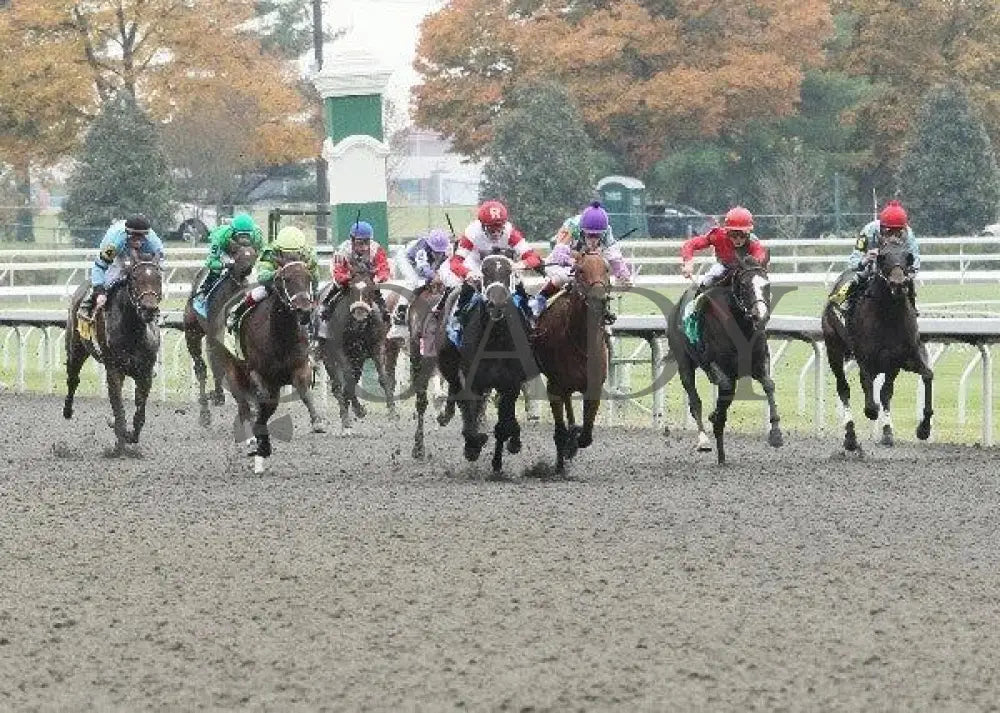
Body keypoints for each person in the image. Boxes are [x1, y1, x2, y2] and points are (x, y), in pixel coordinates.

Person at [437, 200, 541, 328]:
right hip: (477, 267)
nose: (497, 234)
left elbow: (533, 257)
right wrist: (467, 273)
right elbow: (455, 262)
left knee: (519, 286)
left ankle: (529, 318)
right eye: (492, 230)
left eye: (500, 229)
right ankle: (458, 320)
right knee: (466, 288)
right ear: (482, 226)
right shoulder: (472, 233)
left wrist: (520, 265)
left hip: (501, 269)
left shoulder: (510, 232)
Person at [679, 206, 768, 344]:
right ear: (727, 232)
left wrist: (759, 265)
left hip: (744, 270)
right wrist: (688, 262)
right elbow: (691, 244)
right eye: (733, 235)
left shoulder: (754, 244)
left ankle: (760, 324)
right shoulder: (717, 235)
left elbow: (760, 258)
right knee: (703, 285)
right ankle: (694, 321)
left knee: (758, 291)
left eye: (742, 235)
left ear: (749, 232)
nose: (738, 239)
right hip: (723, 267)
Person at [531, 202, 632, 322]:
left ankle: (603, 310)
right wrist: (575, 262)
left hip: (585, 259)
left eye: (597, 235)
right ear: (583, 230)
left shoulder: (606, 230)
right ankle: (539, 300)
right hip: (564, 257)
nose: (594, 239)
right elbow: (559, 254)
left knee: (598, 276)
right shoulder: (571, 226)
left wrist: (623, 275)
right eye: (590, 235)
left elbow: (614, 255)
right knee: (563, 277)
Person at [833, 200, 921, 314]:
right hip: (872, 267)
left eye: (898, 232)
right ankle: (843, 302)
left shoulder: (908, 234)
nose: (893, 237)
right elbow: (853, 261)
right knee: (859, 276)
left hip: (897, 269)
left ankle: (912, 307)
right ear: (882, 228)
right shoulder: (869, 231)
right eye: (889, 232)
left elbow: (915, 260)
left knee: (907, 281)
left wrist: (908, 273)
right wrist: (865, 259)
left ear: (903, 229)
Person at [226, 225, 320, 331]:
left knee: (317, 301)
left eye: (295, 253)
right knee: (258, 293)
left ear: (302, 250)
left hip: (300, 286)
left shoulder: (309, 255)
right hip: (277, 284)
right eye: (287, 253)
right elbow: (261, 277)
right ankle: (236, 314)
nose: (291, 256)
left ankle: (319, 330)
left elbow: (315, 276)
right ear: (279, 249)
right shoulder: (270, 253)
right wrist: (276, 273)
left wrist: (315, 293)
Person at [79, 214, 164, 322]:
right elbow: (100, 266)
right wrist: (99, 291)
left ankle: (154, 311)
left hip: (143, 254)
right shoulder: (114, 242)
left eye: (141, 237)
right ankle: (89, 302)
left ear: (146, 236)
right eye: (134, 237)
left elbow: (157, 270)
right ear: (127, 234)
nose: (138, 241)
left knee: (147, 277)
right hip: (119, 252)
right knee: (113, 278)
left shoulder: (154, 245)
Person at [191, 212, 264, 318]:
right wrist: (226, 264)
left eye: (247, 236)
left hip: (245, 254)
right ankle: (204, 294)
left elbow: (262, 255)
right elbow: (211, 262)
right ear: (233, 232)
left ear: (252, 233)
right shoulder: (221, 236)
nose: (244, 240)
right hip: (226, 252)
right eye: (240, 236)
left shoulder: (258, 236)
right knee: (215, 271)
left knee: (255, 271)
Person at [320, 220, 391, 320]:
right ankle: (326, 306)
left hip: (368, 280)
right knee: (337, 287)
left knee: (376, 293)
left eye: (367, 242)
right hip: (347, 279)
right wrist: (347, 278)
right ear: (352, 240)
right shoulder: (343, 251)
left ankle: (385, 312)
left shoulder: (376, 249)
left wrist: (380, 277)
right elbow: (338, 273)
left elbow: (383, 267)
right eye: (360, 243)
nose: (364, 247)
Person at [392, 227, 452, 323]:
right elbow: (423, 267)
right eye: (436, 251)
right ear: (430, 245)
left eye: (440, 252)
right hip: (406, 258)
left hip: (425, 261)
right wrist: (434, 276)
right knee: (413, 281)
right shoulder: (422, 247)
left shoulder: (447, 248)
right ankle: (401, 310)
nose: (438, 254)